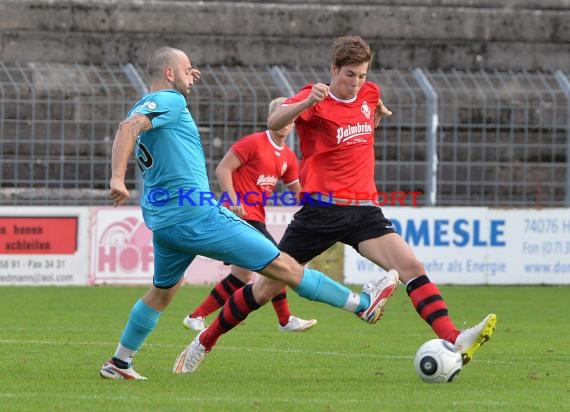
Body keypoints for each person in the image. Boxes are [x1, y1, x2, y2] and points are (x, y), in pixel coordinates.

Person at [99, 46, 399, 380]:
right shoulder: (172, 101)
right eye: (187, 70)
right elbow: (128, 127)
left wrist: (182, 77)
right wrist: (117, 178)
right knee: (283, 266)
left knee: (162, 291)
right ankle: (361, 306)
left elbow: (134, 122)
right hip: (197, 215)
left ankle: (119, 361)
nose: (193, 75)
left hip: (164, 221)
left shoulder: (150, 103)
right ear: (169, 74)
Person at [262, 35, 497, 366]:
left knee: (411, 267)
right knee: (265, 288)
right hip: (322, 211)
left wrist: (376, 115)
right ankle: (205, 338)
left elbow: (363, 121)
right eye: (349, 75)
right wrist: (304, 103)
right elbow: (274, 122)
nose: (357, 83)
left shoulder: (369, 94)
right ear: (334, 70)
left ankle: (454, 337)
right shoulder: (314, 97)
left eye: (362, 75)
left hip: (363, 210)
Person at [182, 97, 317, 333]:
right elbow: (223, 168)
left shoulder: (287, 156)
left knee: (243, 276)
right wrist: (233, 199)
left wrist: (322, 206)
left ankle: (196, 316)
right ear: (270, 118)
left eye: (290, 117)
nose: (286, 121)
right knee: (278, 262)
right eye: (281, 114)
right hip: (241, 217)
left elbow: (299, 191)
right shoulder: (253, 143)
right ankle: (285, 320)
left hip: (255, 218)